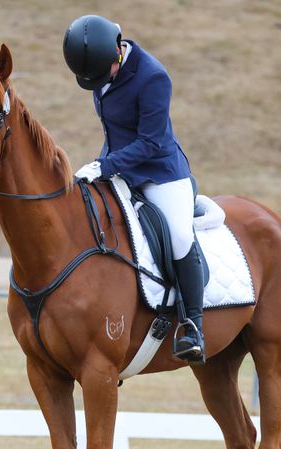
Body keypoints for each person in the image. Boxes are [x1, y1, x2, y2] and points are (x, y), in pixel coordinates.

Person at [62, 15, 206, 364]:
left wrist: (105, 166)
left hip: (160, 173)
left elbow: (152, 142)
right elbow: (116, 130)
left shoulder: (153, 77)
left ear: (118, 51)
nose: (97, 83)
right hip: (119, 166)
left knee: (177, 237)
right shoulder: (100, 70)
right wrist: (102, 164)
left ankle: (192, 325)